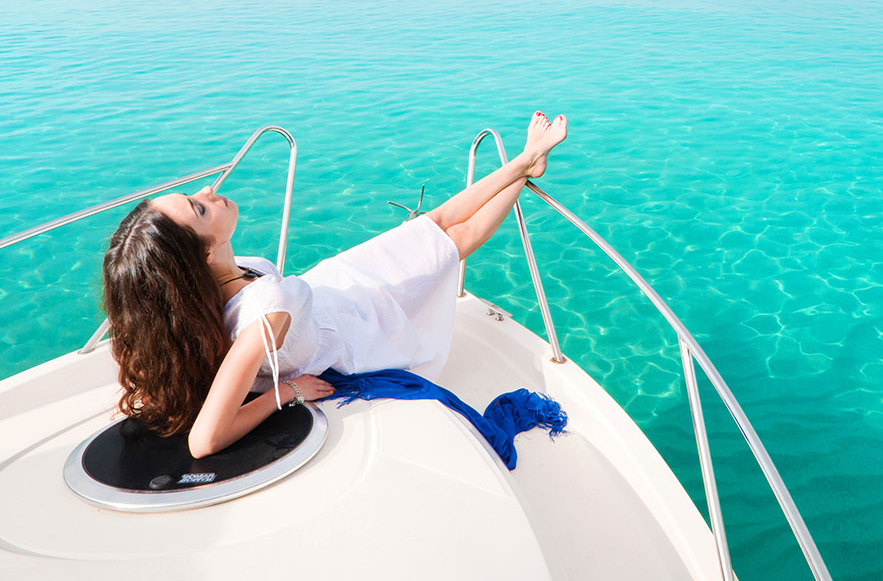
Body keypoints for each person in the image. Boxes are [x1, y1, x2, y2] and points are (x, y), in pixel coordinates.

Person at [102, 111, 568, 459]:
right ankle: (526, 163)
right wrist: (283, 394)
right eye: (199, 208)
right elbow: (205, 441)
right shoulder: (268, 308)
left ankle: (526, 166)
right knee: (453, 238)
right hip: (361, 324)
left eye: (193, 196)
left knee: (436, 225)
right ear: (203, 254)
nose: (208, 193)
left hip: (337, 286)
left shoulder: (214, 283)